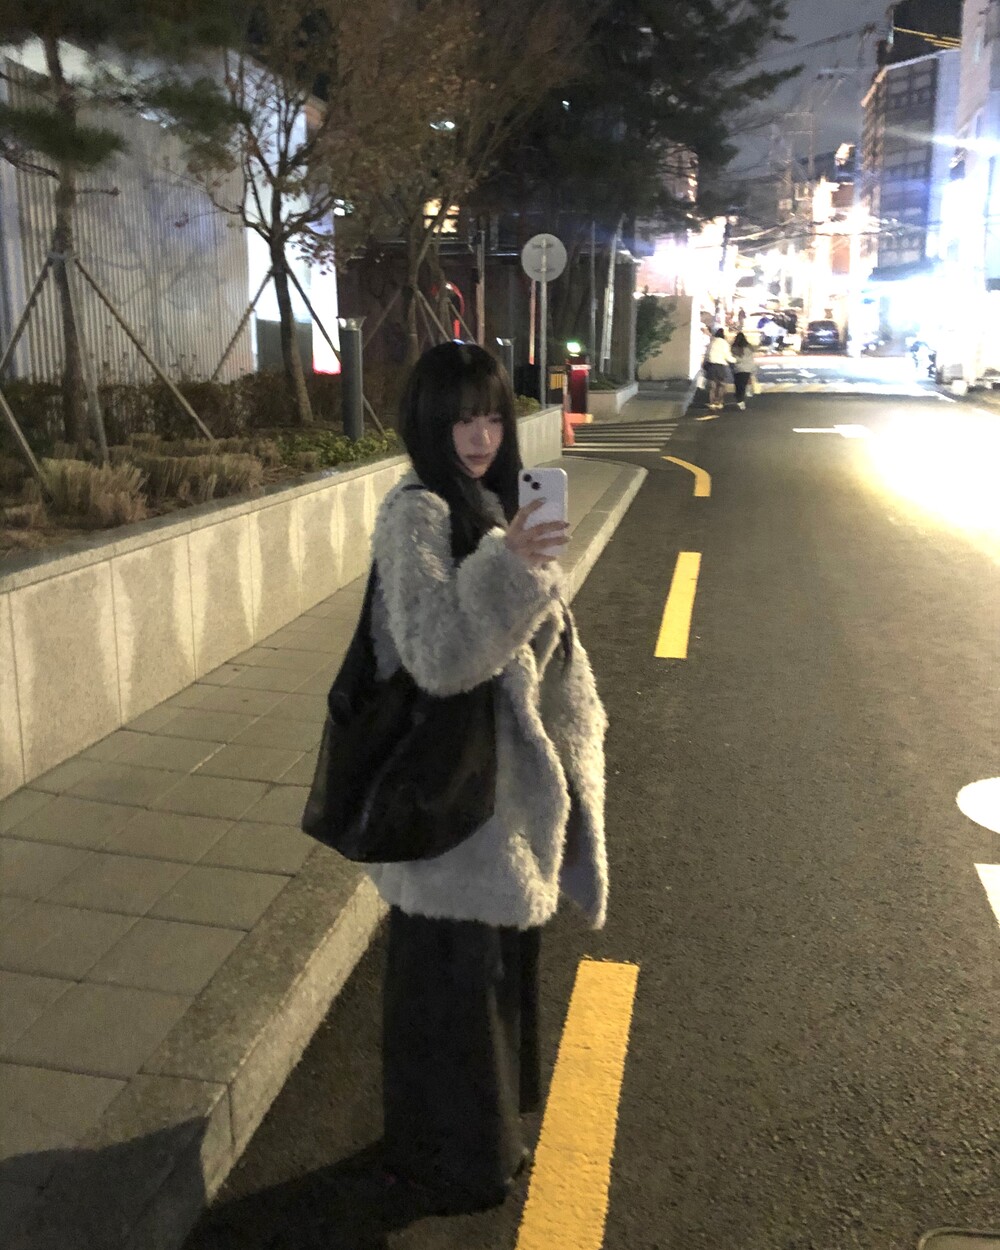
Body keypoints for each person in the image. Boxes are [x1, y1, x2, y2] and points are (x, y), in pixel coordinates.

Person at [366, 341, 609, 1215]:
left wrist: (523, 560)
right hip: (455, 803)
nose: (478, 436)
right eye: (460, 419)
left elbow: (531, 641)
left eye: (492, 418)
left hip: (502, 796)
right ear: (427, 423)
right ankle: (447, 1161)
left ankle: (484, 1138)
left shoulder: (489, 502)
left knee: (491, 976)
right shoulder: (417, 514)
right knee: (454, 988)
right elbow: (437, 656)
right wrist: (513, 565)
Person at [704, 328, 734, 409]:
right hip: (720, 366)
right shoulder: (724, 343)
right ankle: (720, 402)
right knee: (722, 385)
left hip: (711, 365)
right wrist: (734, 360)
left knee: (712, 386)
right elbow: (727, 356)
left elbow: (707, 354)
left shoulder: (712, 342)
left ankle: (712, 402)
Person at [731, 332, 757, 410]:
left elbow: (732, 359)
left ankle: (739, 399)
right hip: (747, 369)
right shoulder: (749, 348)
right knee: (743, 384)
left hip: (737, 369)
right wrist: (753, 370)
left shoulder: (734, 348)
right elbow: (751, 359)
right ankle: (741, 400)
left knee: (738, 385)